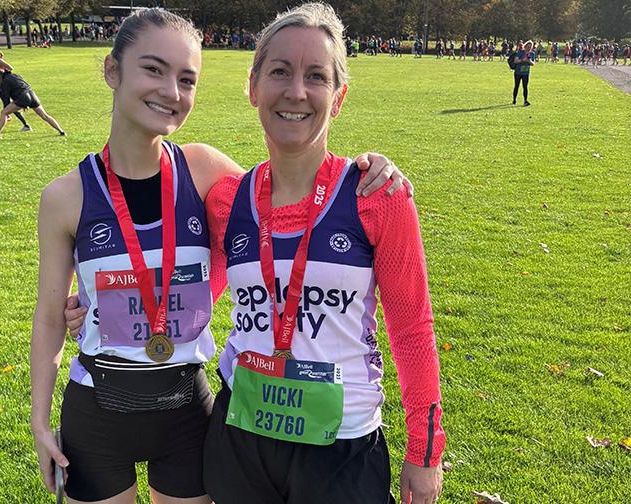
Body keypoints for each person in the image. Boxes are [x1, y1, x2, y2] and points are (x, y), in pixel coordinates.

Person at [32, 8, 410, 504]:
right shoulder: (65, 196)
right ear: (112, 70)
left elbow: (285, 204)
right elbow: (48, 316)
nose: (170, 91)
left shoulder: (207, 171)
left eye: (186, 79)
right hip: (98, 408)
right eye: (153, 69)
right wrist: (39, 418)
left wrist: (369, 170)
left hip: (187, 411)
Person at [197, 4, 444, 504]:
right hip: (242, 433)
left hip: (341, 444)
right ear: (253, 86)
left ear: (339, 97)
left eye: (316, 76)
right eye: (280, 72)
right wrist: (89, 305)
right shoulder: (227, 201)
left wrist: (425, 451)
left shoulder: (377, 197)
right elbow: (198, 297)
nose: (296, 92)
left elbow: (412, 328)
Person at [0, 70, 65, 140]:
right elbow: (21, 86)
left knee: (4, 112)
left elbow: (6, 100)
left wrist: (8, 113)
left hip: (23, 97)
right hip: (32, 95)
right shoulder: (15, 75)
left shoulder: (5, 82)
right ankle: (61, 131)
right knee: (45, 115)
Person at [513, 40, 535, 106]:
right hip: (518, 72)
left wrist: (529, 61)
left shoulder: (532, 54)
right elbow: (515, 61)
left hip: (526, 73)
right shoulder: (520, 52)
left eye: (530, 47)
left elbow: (533, 64)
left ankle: (525, 101)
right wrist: (522, 60)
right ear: (525, 46)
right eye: (528, 47)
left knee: (525, 87)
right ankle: (514, 99)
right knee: (516, 86)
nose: (529, 48)